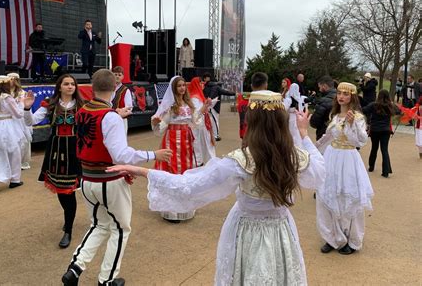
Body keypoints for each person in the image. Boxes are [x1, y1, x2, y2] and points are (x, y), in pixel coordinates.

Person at [107, 90, 326, 285]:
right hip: (280, 228)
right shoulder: (294, 156)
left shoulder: (241, 160)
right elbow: (319, 172)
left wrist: (143, 171)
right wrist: (304, 134)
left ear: (252, 122)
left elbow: (190, 186)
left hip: (246, 229)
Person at [61, 69, 171, 286]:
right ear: (114, 89)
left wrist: (114, 115)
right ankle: (107, 279)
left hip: (87, 179)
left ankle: (75, 267)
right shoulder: (109, 117)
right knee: (120, 229)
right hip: (108, 180)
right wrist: (152, 155)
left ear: (93, 87)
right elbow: (121, 155)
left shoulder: (83, 110)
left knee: (98, 225)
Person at [25, 74, 84, 248]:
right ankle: (68, 216)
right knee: (61, 189)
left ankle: (69, 230)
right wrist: (27, 109)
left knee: (70, 190)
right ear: (59, 87)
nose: (70, 87)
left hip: (75, 150)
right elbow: (32, 122)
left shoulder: (82, 105)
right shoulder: (50, 105)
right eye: (66, 84)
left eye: (72, 84)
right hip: (57, 151)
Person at [315, 82, 373, 255]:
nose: (341, 96)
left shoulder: (358, 118)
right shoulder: (334, 115)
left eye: (346, 94)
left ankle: (350, 239)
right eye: (339, 93)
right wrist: (313, 148)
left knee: (347, 198)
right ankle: (332, 237)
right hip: (332, 157)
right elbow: (328, 137)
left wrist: (350, 124)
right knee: (327, 195)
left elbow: (360, 142)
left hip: (348, 159)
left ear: (352, 97)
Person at [151, 76, 198, 223]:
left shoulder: (189, 104)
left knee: (185, 170)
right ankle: (171, 209)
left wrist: (203, 109)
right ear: (174, 89)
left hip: (186, 142)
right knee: (171, 171)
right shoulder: (170, 106)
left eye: (184, 85)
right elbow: (161, 127)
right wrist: (155, 122)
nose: (182, 88)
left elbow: (196, 122)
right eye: (179, 86)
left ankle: (183, 207)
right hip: (171, 141)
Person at [0, 76, 34, 194]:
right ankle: (15, 179)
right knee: (14, 152)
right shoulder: (8, 98)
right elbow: (19, 114)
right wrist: (21, 103)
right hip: (9, 126)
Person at [363, 89, 400, 178]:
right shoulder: (390, 106)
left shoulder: (373, 105)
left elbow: (364, 110)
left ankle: (371, 166)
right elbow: (399, 112)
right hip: (386, 130)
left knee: (374, 148)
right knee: (384, 150)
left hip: (375, 130)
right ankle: (386, 171)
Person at [188, 77, 215, 166]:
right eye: (200, 83)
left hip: (202, 124)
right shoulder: (194, 98)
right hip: (199, 126)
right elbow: (197, 113)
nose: (202, 84)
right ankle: (203, 163)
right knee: (201, 145)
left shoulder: (199, 95)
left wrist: (207, 104)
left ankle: (208, 163)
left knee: (205, 145)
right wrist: (206, 105)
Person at [8, 72, 32, 170]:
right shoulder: (5, 93)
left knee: (24, 141)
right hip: (10, 119)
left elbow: (26, 108)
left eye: (13, 79)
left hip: (21, 120)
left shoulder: (23, 93)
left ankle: (23, 161)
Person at [203, 72, 236, 141]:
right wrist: (234, 93)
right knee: (215, 121)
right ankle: (216, 136)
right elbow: (226, 92)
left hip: (204, 107)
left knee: (206, 121)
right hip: (214, 107)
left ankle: (209, 135)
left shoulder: (203, 87)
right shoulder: (216, 87)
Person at [310, 75, 338, 140]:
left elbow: (314, 122)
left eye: (319, 87)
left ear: (324, 86)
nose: (319, 89)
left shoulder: (323, 101)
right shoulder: (341, 98)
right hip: (337, 135)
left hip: (324, 134)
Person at [111, 66, 133, 134]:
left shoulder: (126, 90)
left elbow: (129, 107)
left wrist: (120, 111)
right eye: (115, 74)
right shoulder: (109, 89)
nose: (117, 76)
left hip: (121, 120)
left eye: (119, 75)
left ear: (122, 77)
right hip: (110, 120)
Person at [283, 82, 305, 147]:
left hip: (292, 116)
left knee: (293, 131)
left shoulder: (291, 98)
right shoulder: (298, 98)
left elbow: (285, 107)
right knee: (294, 131)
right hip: (295, 116)